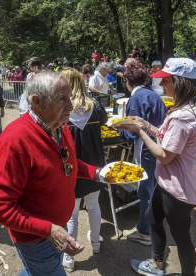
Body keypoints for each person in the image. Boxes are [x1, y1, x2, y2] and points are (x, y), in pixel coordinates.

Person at [0, 71, 102, 276]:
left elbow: (68, 162)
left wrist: (98, 173)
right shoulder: (15, 141)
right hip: (36, 238)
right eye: (61, 98)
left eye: (70, 97)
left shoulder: (59, 124)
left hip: (56, 227)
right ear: (37, 102)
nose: (71, 105)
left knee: (36, 272)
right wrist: (49, 230)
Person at [117, 58, 196, 276]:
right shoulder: (193, 108)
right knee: (152, 217)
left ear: (179, 82)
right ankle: (156, 264)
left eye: (165, 80)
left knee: (182, 237)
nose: (161, 84)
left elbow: (164, 155)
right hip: (170, 180)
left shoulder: (182, 116)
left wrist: (140, 132)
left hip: (178, 185)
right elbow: (170, 139)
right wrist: (147, 125)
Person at [59, 68, 108, 272]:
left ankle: (69, 258)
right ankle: (95, 243)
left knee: (72, 214)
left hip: (70, 166)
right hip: (95, 163)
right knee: (94, 205)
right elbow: (104, 122)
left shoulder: (61, 110)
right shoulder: (95, 107)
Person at [117, 63, 167, 249]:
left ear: (127, 81)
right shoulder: (154, 94)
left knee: (146, 190)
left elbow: (131, 133)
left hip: (147, 149)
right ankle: (153, 223)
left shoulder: (137, 97)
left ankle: (145, 231)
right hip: (157, 146)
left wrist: (117, 127)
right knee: (154, 186)